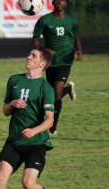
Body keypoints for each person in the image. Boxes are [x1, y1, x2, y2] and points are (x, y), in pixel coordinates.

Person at [0, 44, 55, 189]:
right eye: (29, 54)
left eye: (33, 55)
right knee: (1, 178)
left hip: (36, 144)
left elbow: (49, 120)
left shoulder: (46, 88)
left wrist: (33, 131)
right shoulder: (14, 80)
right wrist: (12, 103)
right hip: (14, 141)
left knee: (28, 183)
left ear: (42, 64)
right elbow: (5, 111)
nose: (28, 57)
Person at [32, 0, 83, 136]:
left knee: (57, 90)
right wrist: (43, 49)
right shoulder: (45, 20)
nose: (59, 2)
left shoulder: (71, 21)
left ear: (66, 3)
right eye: (57, 0)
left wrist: (79, 50)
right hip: (50, 62)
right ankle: (69, 89)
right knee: (51, 94)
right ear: (53, 2)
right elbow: (35, 38)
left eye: (62, 0)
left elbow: (76, 37)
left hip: (66, 61)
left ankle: (53, 127)